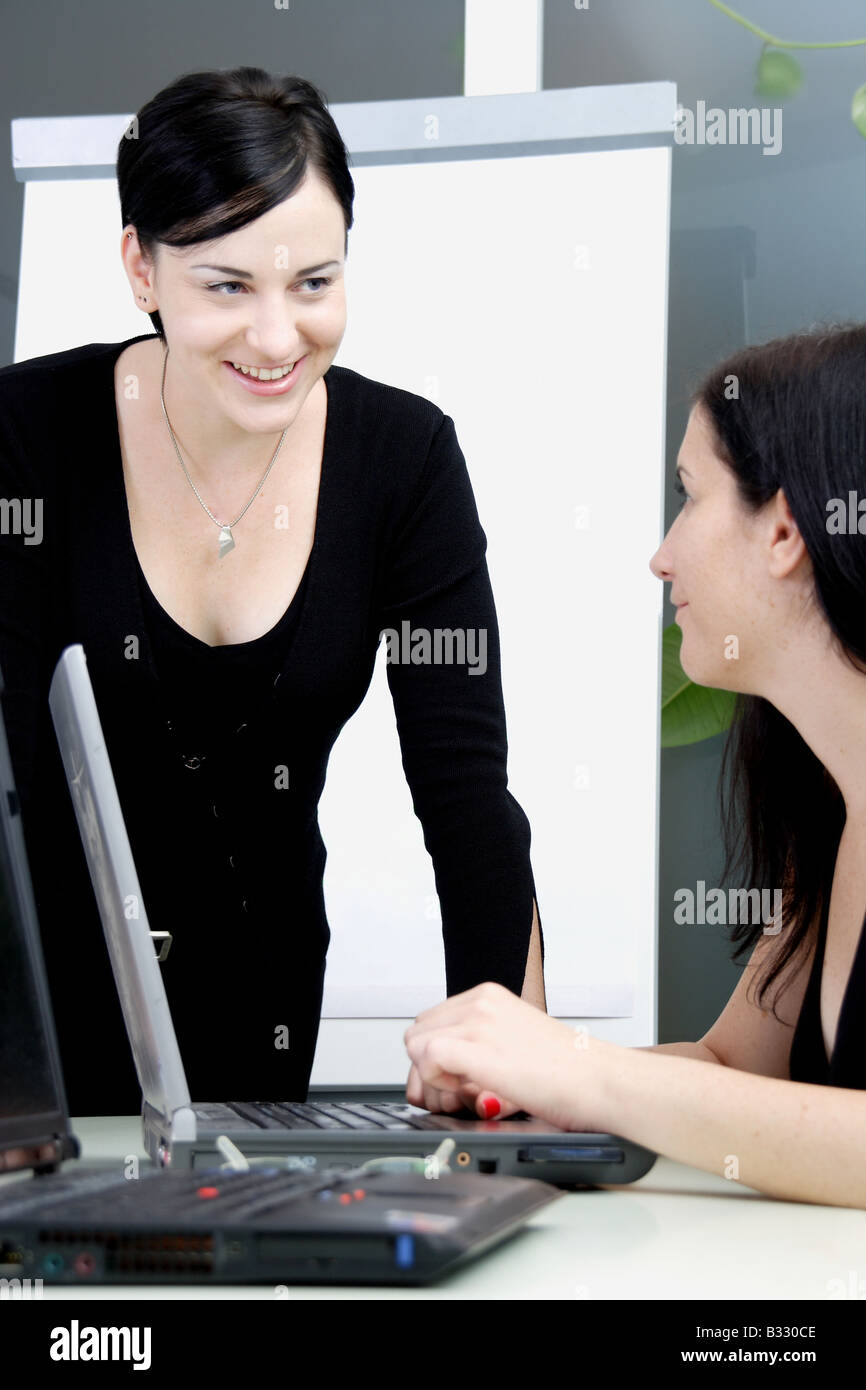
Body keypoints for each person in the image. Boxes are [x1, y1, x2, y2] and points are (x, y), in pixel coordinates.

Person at [0, 66, 545, 1118]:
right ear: (141, 268)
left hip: (259, 1007)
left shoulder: (404, 459)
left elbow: (467, 796)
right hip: (34, 1026)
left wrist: (515, 1075)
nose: (275, 338)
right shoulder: (26, 436)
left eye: (312, 283)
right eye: (226, 286)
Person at [407, 323, 866, 1207]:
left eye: (690, 497)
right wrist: (525, 1081)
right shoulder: (831, 814)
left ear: (782, 532)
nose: (663, 555)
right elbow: (734, 1068)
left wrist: (580, 1071)